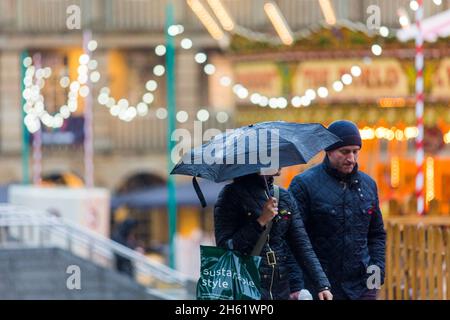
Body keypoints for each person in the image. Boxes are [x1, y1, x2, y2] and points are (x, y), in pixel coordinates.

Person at [288, 120, 386, 300]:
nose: (351, 158)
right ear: (329, 150)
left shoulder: (368, 185)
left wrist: (376, 274)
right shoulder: (303, 185)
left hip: (361, 287)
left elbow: (376, 234)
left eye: (355, 151)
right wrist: (296, 285)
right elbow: (292, 237)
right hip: (319, 286)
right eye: (345, 151)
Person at [214, 170, 333, 300]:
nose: (279, 161)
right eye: (272, 155)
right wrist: (261, 221)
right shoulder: (230, 195)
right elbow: (225, 248)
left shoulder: (283, 196)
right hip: (244, 284)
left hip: (279, 287)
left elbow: (302, 245)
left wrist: (322, 285)